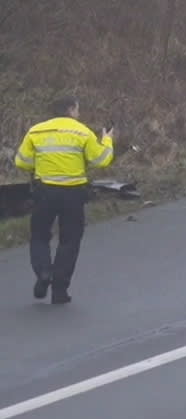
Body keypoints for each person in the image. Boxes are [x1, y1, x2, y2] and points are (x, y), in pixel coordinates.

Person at [13, 97, 114, 304]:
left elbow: (21, 162)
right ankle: (60, 291)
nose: (79, 113)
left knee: (40, 236)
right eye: (77, 109)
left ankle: (43, 271)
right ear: (70, 109)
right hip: (73, 193)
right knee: (70, 240)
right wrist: (107, 140)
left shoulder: (36, 131)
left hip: (45, 192)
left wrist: (39, 166)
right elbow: (101, 160)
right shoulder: (81, 131)